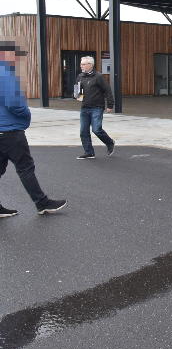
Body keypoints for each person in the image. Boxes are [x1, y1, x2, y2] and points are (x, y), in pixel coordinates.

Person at [0, 41, 67, 217]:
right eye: (16, 56)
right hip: (10, 131)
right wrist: (26, 115)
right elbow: (14, 103)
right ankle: (42, 203)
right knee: (25, 167)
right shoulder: (4, 72)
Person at [75, 56, 115, 160]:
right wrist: (76, 95)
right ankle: (89, 152)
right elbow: (78, 90)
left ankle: (110, 142)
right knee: (83, 131)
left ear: (90, 65)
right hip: (84, 107)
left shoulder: (98, 77)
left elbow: (108, 90)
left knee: (96, 129)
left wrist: (110, 105)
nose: (81, 66)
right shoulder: (80, 76)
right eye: (81, 64)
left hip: (97, 107)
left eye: (83, 64)